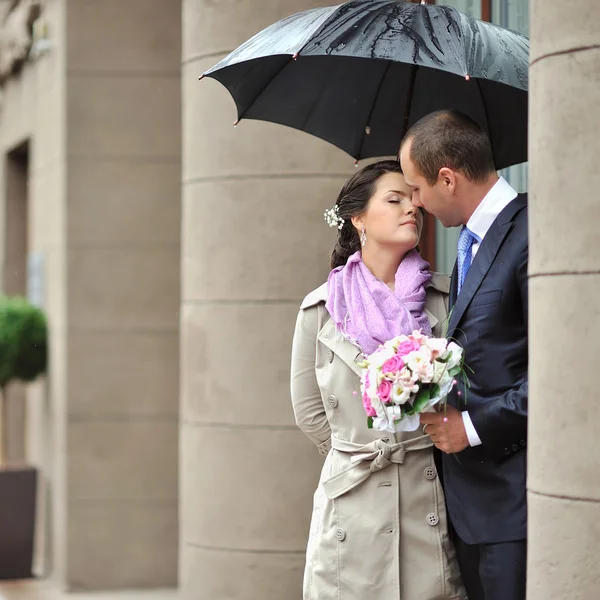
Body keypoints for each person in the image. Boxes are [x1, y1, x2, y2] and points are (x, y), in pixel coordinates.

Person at [290, 160, 466, 600]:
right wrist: (360, 453)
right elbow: (309, 410)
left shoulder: (446, 298)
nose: (412, 208)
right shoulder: (321, 308)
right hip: (353, 498)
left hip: (428, 490)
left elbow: (465, 389)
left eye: (414, 199)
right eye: (395, 199)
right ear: (358, 218)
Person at [399, 110, 528, 600]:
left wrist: (469, 428)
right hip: (469, 506)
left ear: (447, 178)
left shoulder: (532, 232)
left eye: (416, 188)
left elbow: (564, 375)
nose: (416, 202)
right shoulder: (469, 242)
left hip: (514, 502)